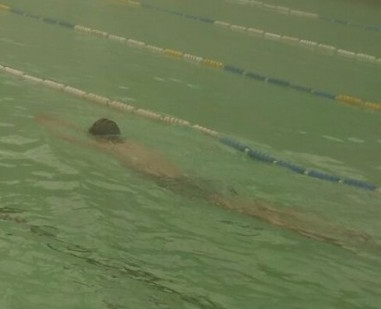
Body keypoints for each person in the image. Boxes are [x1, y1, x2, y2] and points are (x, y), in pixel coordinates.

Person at [40, 114, 378, 256]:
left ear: (100, 140)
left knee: (259, 214)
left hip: (181, 187)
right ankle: (341, 231)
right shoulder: (134, 144)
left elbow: (73, 139)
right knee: (256, 205)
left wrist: (47, 121)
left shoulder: (110, 149)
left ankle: (327, 234)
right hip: (194, 179)